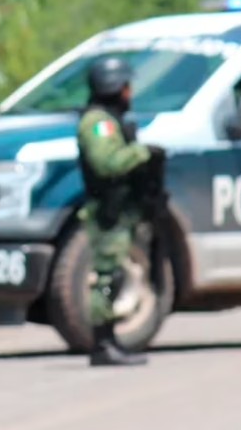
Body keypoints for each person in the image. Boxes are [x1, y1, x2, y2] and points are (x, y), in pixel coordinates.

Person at [75, 55, 165, 367]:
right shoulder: (98, 123)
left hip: (119, 209)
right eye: (126, 85)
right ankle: (103, 343)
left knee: (114, 274)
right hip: (107, 212)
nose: (130, 92)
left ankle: (109, 341)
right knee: (107, 277)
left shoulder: (110, 120)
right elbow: (107, 163)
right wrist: (142, 154)